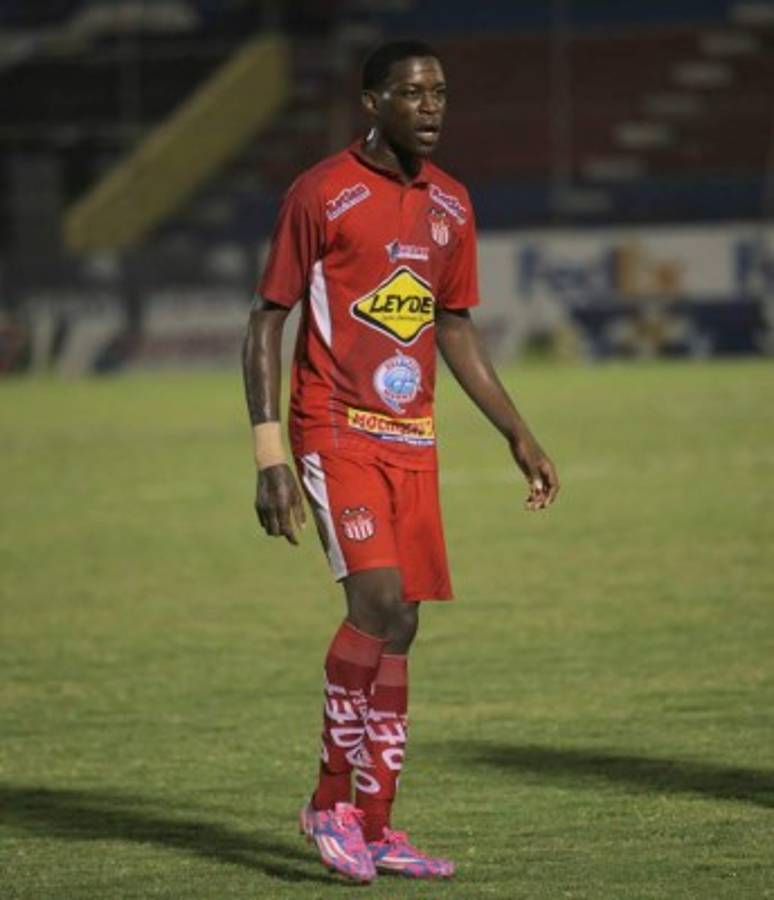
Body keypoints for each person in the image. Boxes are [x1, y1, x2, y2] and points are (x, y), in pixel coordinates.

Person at [242, 39, 559, 884]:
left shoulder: (451, 202)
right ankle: (326, 804)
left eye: (440, 93)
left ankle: (377, 825)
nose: (431, 107)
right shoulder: (321, 192)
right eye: (414, 93)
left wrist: (517, 432)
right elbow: (266, 319)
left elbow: (453, 324)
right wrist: (270, 456)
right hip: (333, 426)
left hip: (411, 436)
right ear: (373, 102)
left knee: (404, 624)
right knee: (377, 602)